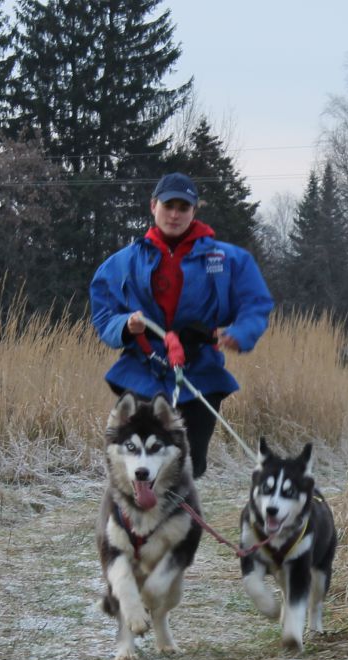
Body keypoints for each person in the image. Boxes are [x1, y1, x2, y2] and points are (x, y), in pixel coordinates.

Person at [89, 172, 274, 479]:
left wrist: (240, 333)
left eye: (183, 207)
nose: (174, 214)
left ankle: (179, 509)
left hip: (200, 371)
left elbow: (256, 304)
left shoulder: (229, 259)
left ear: (193, 211)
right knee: (138, 459)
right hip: (142, 371)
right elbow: (103, 313)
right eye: (168, 206)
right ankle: (139, 508)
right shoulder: (122, 262)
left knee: (189, 464)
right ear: (153, 206)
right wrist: (125, 325)